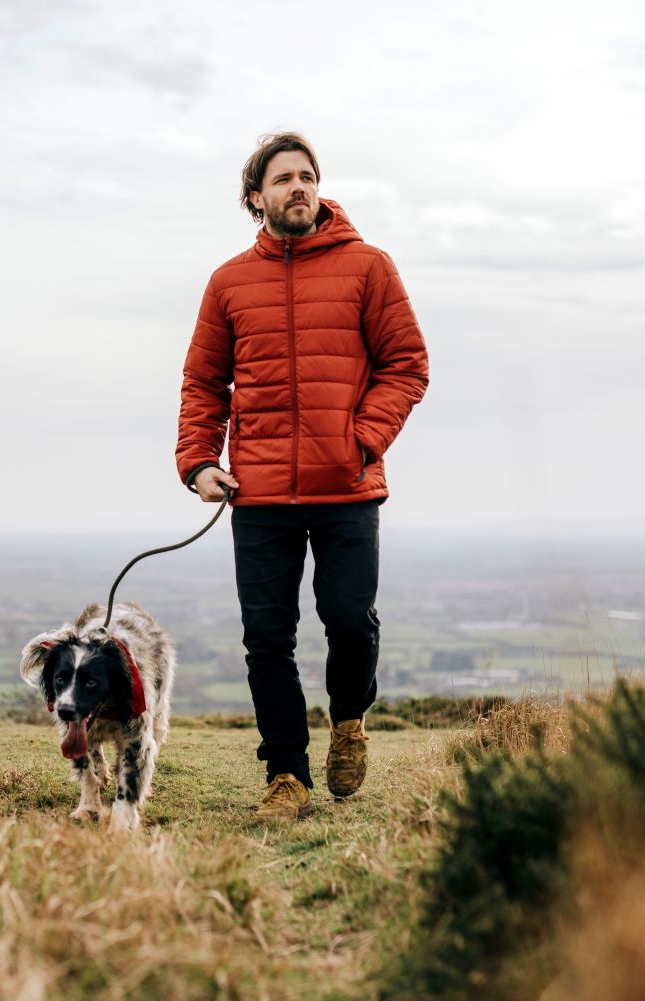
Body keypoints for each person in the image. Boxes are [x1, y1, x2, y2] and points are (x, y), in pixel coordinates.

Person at [175, 132, 429, 822]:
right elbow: (203, 381)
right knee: (267, 640)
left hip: (346, 487)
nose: (298, 187)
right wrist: (200, 461)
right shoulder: (229, 282)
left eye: (307, 176)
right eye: (283, 178)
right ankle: (287, 775)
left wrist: (362, 440)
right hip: (258, 496)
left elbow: (407, 365)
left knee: (350, 620)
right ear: (255, 198)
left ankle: (349, 720)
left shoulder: (369, 267)